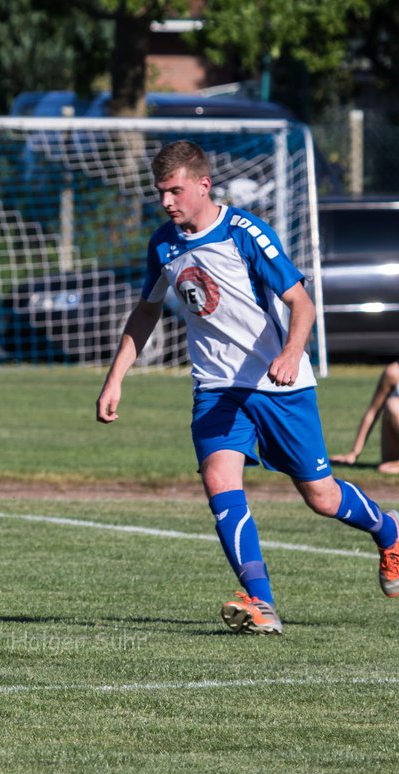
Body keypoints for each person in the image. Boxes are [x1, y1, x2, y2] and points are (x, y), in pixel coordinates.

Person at [96, 140, 399, 635]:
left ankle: (389, 531)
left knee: (320, 497)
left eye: (175, 191)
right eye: (160, 193)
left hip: (279, 386)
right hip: (216, 387)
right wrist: (115, 380)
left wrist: (290, 353)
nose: (167, 202)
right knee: (219, 483)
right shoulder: (163, 245)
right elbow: (147, 311)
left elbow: (302, 304)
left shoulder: (246, 234)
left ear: (202, 185)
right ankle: (261, 603)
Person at [330, 360, 399, 475]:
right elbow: (373, 412)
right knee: (392, 406)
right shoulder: (393, 372)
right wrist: (354, 453)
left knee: (394, 405)